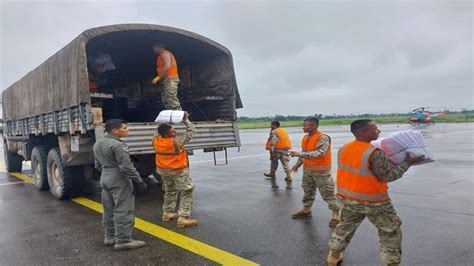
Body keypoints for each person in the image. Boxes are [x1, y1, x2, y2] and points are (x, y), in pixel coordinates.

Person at [327, 119, 425, 266]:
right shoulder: (375, 152)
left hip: (348, 198)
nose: (378, 131)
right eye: (375, 129)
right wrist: (408, 162)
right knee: (390, 231)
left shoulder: (344, 148)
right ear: (363, 132)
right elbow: (387, 176)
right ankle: (392, 262)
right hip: (374, 201)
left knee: (345, 226)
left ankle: (333, 256)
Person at [93, 119, 148, 251]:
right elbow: (126, 166)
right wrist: (138, 180)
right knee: (124, 208)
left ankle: (110, 236)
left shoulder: (98, 143)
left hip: (105, 177)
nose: (127, 130)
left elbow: (97, 165)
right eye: (124, 128)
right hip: (119, 178)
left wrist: (107, 173)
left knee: (108, 208)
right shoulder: (118, 145)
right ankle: (123, 240)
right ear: (115, 131)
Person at [290, 117, 340, 227]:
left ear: (314, 126)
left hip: (321, 172)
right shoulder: (305, 138)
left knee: (328, 194)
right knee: (308, 192)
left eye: (306, 125)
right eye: (304, 125)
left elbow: (320, 152)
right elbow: (305, 153)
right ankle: (306, 210)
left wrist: (299, 154)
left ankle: (336, 216)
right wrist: (297, 164)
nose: (303, 127)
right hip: (308, 171)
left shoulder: (323, 137)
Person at [153, 111, 197, 228]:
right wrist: (186, 119)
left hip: (163, 171)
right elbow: (192, 131)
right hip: (178, 171)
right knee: (187, 191)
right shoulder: (177, 141)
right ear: (169, 133)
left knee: (170, 190)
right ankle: (183, 217)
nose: (175, 131)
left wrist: (165, 120)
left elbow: (159, 129)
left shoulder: (156, 140)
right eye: (173, 130)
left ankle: (167, 213)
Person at [151, 42, 181, 110]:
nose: (153, 49)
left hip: (170, 81)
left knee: (171, 101)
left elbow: (167, 67)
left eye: (153, 48)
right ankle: (172, 118)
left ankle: (179, 118)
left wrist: (157, 78)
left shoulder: (165, 54)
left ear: (157, 47)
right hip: (166, 81)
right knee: (166, 101)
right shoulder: (160, 56)